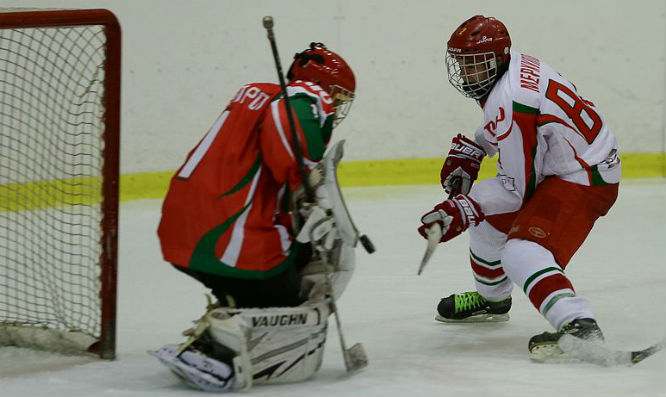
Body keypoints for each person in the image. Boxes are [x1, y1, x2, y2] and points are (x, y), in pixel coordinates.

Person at [153, 43, 359, 391]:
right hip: (225, 234)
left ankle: (227, 315)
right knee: (296, 293)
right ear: (322, 85)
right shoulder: (304, 94)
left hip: (180, 226)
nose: (336, 108)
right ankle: (225, 351)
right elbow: (289, 127)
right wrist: (303, 170)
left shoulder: (255, 96)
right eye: (336, 98)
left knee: (293, 256)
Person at [418, 15, 621, 362]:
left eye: (474, 65)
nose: (465, 74)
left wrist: (463, 207)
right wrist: (479, 145)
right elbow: (520, 123)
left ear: (497, 59)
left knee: (521, 252)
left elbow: (516, 192)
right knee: (486, 223)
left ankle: (579, 325)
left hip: (585, 177)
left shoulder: (509, 99)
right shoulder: (515, 68)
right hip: (566, 163)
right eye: (462, 64)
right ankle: (493, 300)